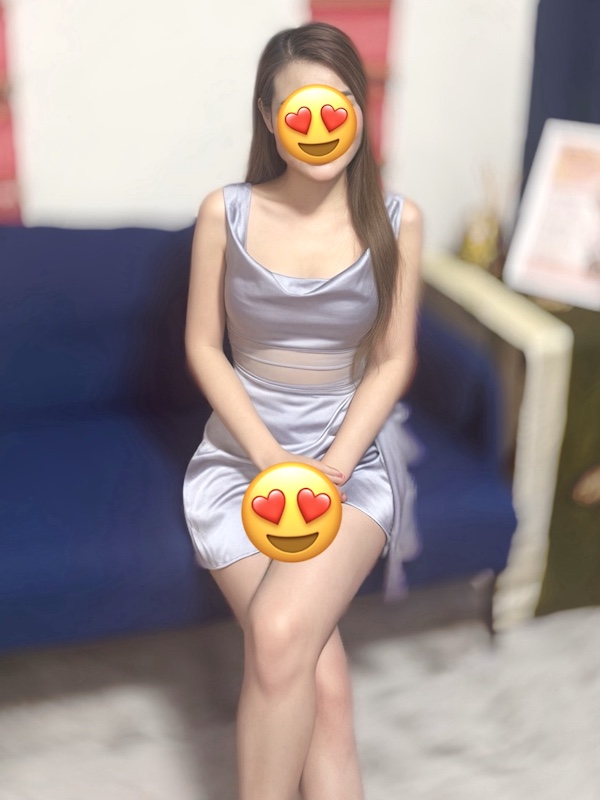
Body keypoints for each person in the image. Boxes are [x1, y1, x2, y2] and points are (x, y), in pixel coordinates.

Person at [182, 20, 423, 800]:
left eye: (340, 101)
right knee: (325, 687)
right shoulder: (225, 213)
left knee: (282, 629)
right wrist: (268, 458)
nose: (322, 123)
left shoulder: (398, 221)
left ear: (359, 110)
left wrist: (335, 464)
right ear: (269, 116)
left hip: (348, 465)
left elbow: (393, 361)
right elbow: (203, 348)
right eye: (300, 106)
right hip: (241, 466)